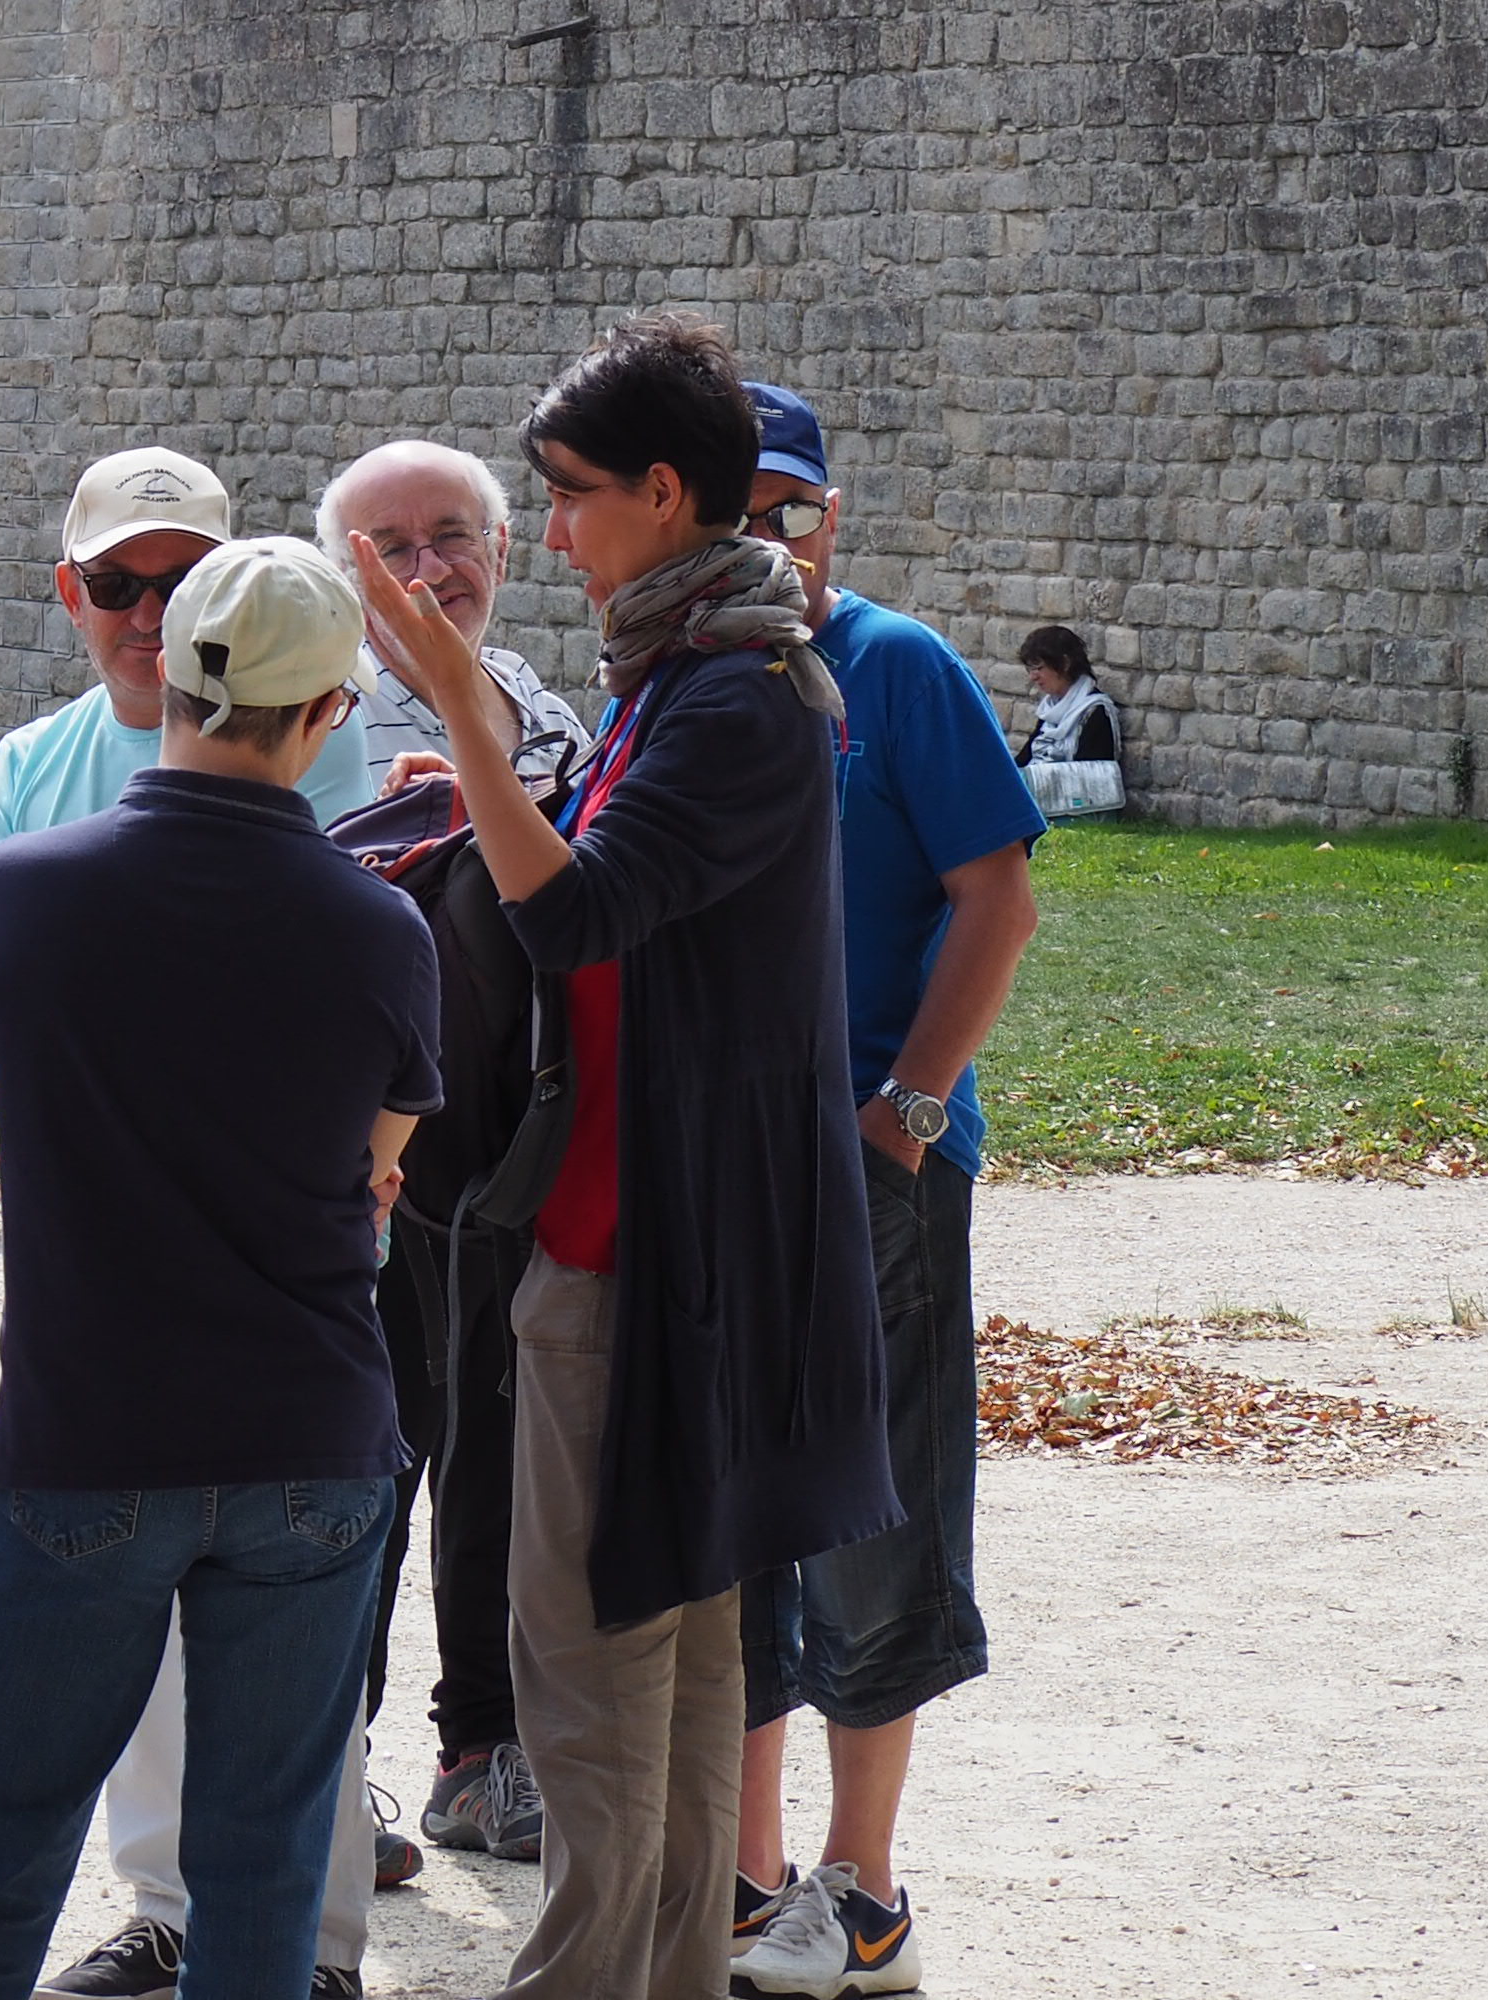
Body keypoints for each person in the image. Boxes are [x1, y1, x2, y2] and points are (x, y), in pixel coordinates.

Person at [351, 312, 894, 2000]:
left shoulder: (728, 696)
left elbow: (579, 912)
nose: (557, 529)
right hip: (672, 1241)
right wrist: (504, 784)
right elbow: (611, 891)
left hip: (645, 1253)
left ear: (666, 494)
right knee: (664, 1658)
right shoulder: (700, 671)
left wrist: (456, 701)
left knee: (596, 1674)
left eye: (573, 495)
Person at [0, 537, 437, 2000]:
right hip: (309, 1433)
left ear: (168, 672)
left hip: (91, 1424)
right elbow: (381, 1166)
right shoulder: (381, 923)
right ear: (328, 720)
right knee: (264, 1848)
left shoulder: (31, 893)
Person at [726, 385, 1045, 2000]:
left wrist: (906, 1112)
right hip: (724, 1166)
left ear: (829, 516)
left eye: (790, 505)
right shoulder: (683, 680)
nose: (767, 536)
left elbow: (996, 897)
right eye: (736, 507)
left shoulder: (895, 668)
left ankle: (861, 1892)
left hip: (871, 1164)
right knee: (736, 1526)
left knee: (871, 1514)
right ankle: (743, 1872)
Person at [322, 439, 594, 1884]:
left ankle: (481, 1752)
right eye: (390, 546)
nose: (429, 569)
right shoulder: (307, 706)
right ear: (341, 568)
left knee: (493, 1455)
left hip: (498, 1157)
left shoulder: (550, 717)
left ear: (503, 548)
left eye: (452, 536)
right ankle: (333, 1764)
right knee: (358, 1463)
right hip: (335, 1163)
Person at [0, 445, 231, 1035]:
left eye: (181, 584)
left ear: (225, 593)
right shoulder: (24, 764)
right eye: (116, 586)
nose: (149, 616)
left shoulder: (315, 740)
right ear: (73, 595)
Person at [1016, 626, 1124, 815]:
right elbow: (1024, 760)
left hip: (1068, 807)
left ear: (1064, 664)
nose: (1033, 676)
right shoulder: (1050, 710)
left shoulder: (1095, 712)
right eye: (1030, 669)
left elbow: (1090, 777)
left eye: (1039, 668)